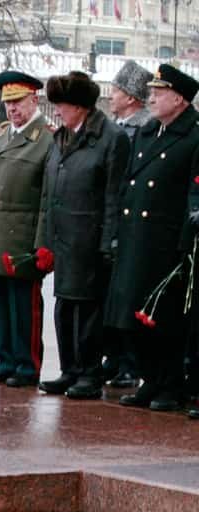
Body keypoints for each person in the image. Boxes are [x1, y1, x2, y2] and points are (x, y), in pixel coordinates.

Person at [108, 65, 199, 413]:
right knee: (134, 319)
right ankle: (151, 379)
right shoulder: (150, 133)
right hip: (136, 240)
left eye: (159, 92)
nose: (152, 97)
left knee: (165, 322)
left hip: (166, 245)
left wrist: (183, 247)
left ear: (178, 98)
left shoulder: (193, 136)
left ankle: (169, 384)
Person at [35, 71, 129, 401]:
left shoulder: (111, 138)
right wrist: (46, 240)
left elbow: (113, 195)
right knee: (65, 307)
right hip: (65, 237)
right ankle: (70, 369)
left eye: (61, 105)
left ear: (80, 107)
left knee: (88, 310)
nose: (57, 111)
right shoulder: (61, 137)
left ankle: (89, 373)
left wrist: (108, 242)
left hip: (90, 238)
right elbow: (50, 192)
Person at [0, 71, 52, 389]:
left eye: (18, 102)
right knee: (1, 304)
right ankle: (5, 360)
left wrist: (41, 243)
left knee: (25, 307)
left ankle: (27, 365)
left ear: (35, 100)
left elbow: (47, 199)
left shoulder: (46, 141)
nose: (12, 109)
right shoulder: (0, 138)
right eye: (7, 103)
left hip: (22, 236)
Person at [102, 59, 154, 388]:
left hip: (131, 220)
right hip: (113, 217)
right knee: (111, 295)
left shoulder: (142, 129)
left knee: (128, 295)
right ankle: (115, 357)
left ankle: (129, 362)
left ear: (132, 97)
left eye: (116, 91)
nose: (110, 96)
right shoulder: (117, 125)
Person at [109, 60, 153, 139]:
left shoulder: (148, 129)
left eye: (115, 91)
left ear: (130, 99)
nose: (109, 97)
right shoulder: (108, 125)